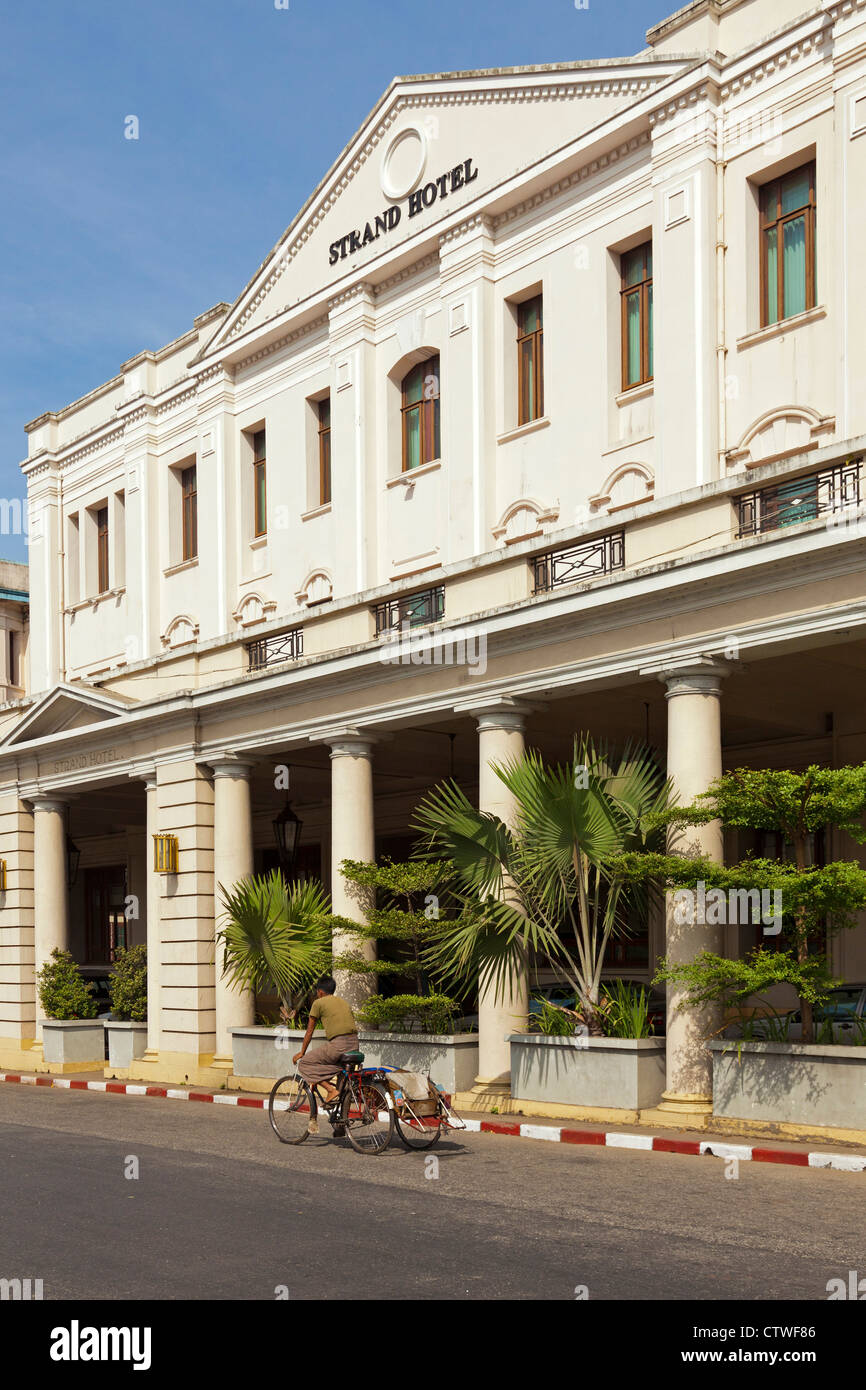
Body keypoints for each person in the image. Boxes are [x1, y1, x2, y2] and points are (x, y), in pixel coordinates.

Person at [293, 976, 359, 1107]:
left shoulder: (319, 1003)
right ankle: (340, 1124)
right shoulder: (343, 1002)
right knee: (340, 1074)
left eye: (317, 993)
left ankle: (330, 1090)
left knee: (305, 1064)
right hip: (355, 1044)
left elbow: (309, 1031)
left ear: (320, 992)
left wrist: (302, 1052)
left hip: (339, 1045)